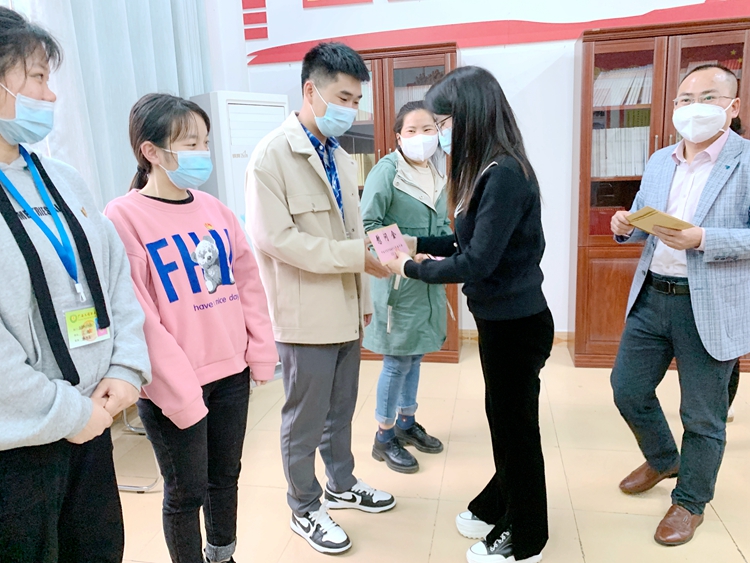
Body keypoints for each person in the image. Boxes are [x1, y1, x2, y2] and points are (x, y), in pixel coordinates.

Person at [0, 8, 151, 562]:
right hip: (19, 446)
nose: (51, 95)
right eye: (37, 78)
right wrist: (69, 413)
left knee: (98, 549)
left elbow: (114, 279)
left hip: (93, 419)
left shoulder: (62, 179)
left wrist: (126, 368)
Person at [387, 66, 553, 563]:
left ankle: (527, 537)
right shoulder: (488, 169)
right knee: (505, 422)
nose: (440, 133)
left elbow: (477, 261)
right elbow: (469, 240)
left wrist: (411, 268)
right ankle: (497, 504)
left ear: (471, 115)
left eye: (443, 122)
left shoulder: (504, 174)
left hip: (516, 325)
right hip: (502, 321)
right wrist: (417, 242)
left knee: (515, 431)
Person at [104, 93, 278, 563]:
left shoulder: (215, 210)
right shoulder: (123, 216)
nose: (202, 152)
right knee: (186, 492)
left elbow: (248, 284)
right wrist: (179, 391)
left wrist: (260, 351)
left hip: (231, 375)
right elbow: (138, 315)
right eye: (190, 143)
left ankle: (223, 555)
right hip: (173, 384)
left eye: (204, 142)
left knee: (225, 477)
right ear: (151, 151)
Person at [245, 42, 395, 555]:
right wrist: (356, 258)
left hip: (347, 308)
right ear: (310, 91)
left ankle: (341, 483)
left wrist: (364, 297)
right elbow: (278, 240)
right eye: (343, 98)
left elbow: (354, 231)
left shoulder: (339, 155)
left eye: (356, 101)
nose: (350, 110)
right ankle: (304, 506)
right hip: (305, 315)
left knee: (341, 409)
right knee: (304, 419)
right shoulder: (271, 157)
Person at [610, 63, 750, 547]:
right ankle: (663, 458)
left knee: (703, 415)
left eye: (708, 98)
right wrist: (625, 225)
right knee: (627, 389)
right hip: (652, 295)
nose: (694, 108)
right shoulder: (659, 160)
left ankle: (690, 502)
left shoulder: (746, 161)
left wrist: (704, 238)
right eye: (685, 99)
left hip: (709, 304)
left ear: (733, 107)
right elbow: (644, 220)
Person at [360, 100, 450, 474]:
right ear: (398, 136)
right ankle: (383, 437)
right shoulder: (387, 172)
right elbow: (369, 226)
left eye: (428, 129)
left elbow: (443, 226)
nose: (420, 137)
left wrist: (440, 255)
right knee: (397, 360)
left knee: (415, 355)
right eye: (411, 130)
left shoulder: (437, 172)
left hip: (427, 280)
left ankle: (406, 422)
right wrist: (408, 254)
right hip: (397, 280)